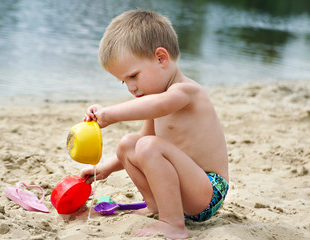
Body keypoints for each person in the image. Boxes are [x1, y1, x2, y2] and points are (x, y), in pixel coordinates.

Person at [81, 9, 229, 239]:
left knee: (148, 145)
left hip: (207, 191)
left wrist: (111, 114)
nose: (131, 88)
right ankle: (158, 208)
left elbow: (160, 106)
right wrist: (105, 169)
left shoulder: (185, 91)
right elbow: (140, 147)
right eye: (124, 82)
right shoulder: (156, 100)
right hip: (183, 190)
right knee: (129, 144)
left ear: (161, 58)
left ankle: (173, 224)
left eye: (133, 76)